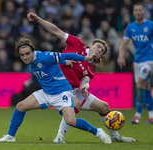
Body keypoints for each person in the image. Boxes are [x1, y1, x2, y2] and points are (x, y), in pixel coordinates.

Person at [26, 12, 136, 143]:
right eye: (99, 47)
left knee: (104, 107)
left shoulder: (90, 70)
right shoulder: (77, 44)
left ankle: (115, 136)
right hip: (59, 87)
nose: (99, 51)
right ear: (91, 44)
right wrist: (38, 19)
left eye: (102, 52)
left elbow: (85, 82)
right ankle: (60, 136)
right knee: (72, 107)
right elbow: (57, 31)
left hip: (73, 90)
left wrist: (84, 87)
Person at [0, 37, 112, 144]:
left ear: (33, 51)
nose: (25, 57)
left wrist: (85, 58)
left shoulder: (45, 56)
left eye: (27, 54)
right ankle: (10, 136)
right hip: (46, 93)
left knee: (70, 121)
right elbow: (60, 60)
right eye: (22, 55)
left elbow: (65, 55)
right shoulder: (31, 60)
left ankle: (98, 132)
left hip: (62, 93)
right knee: (20, 106)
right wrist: (65, 63)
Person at [117, 2, 153, 124]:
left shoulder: (152, 25)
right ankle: (152, 117)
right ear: (133, 13)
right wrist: (120, 56)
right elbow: (124, 43)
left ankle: (137, 115)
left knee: (140, 84)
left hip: (150, 60)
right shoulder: (131, 27)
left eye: (141, 10)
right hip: (137, 62)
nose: (139, 12)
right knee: (146, 87)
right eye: (136, 10)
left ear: (144, 11)